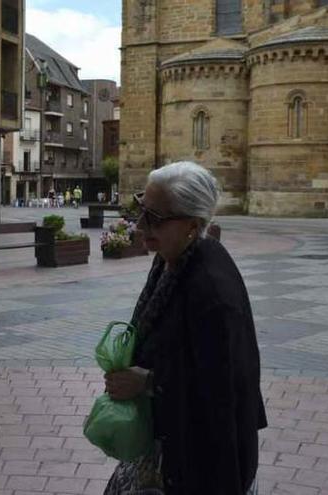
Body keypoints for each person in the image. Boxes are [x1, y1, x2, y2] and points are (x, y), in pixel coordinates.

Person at [103, 162, 266, 495]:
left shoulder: (211, 290)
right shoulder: (173, 259)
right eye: (141, 209)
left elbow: (223, 389)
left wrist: (147, 381)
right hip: (170, 442)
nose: (141, 225)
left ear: (192, 226)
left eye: (156, 218)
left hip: (202, 463)